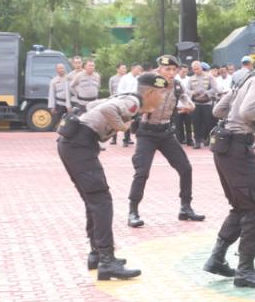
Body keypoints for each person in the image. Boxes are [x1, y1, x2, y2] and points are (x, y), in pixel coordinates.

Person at [56, 74, 167, 280]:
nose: (163, 98)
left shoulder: (125, 96)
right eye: (161, 93)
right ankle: (107, 261)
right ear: (150, 93)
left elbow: (94, 106)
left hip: (72, 144)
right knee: (101, 202)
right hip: (80, 145)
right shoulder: (133, 102)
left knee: (93, 202)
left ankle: (97, 254)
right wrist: (123, 127)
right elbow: (106, 110)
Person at [203, 37, 255, 288]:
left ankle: (217, 258)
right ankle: (245, 270)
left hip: (225, 147)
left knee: (242, 206)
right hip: (238, 148)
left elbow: (218, 110)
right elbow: (248, 111)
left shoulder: (243, 79)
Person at [126, 55, 201, 228]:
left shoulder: (176, 84)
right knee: (142, 172)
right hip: (146, 132)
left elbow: (186, 101)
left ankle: (185, 207)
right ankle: (133, 211)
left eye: (174, 70)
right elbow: (135, 101)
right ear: (159, 69)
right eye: (167, 69)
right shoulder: (147, 81)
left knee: (185, 168)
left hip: (166, 133)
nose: (171, 73)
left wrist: (188, 105)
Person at [105, 64, 127, 144]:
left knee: (126, 119)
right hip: (115, 100)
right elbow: (111, 90)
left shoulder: (128, 78)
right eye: (123, 68)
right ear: (117, 69)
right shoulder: (113, 79)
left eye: (125, 68)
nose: (125, 69)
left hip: (125, 101)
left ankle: (126, 139)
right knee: (114, 119)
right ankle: (113, 138)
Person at [47, 63, 73, 130]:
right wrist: (52, 106)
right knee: (57, 122)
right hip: (59, 104)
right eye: (60, 68)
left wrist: (69, 105)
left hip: (70, 103)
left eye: (62, 68)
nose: (61, 70)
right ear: (56, 70)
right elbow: (51, 94)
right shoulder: (54, 81)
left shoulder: (69, 79)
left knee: (69, 121)